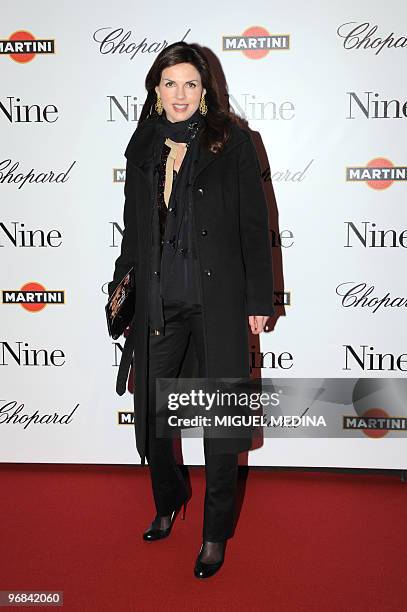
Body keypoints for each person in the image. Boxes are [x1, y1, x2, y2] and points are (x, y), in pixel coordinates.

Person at [107, 41, 275, 579]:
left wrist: (257, 299)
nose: (179, 94)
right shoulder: (142, 148)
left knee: (220, 425)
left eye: (190, 84)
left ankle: (213, 533)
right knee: (155, 419)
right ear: (155, 90)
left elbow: (254, 226)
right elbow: (134, 230)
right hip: (161, 300)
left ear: (206, 92)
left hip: (218, 302)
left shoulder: (234, 143)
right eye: (169, 83)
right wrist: (121, 289)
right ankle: (170, 496)